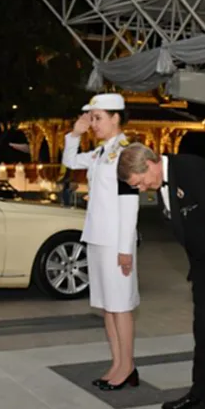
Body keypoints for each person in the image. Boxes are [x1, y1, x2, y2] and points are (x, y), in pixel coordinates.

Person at [117, 142, 205, 409]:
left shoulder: (191, 169)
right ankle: (198, 392)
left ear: (150, 164)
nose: (141, 188)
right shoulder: (164, 179)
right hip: (202, 267)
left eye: (140, 181)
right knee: (202, 332)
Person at [62, 93, 140, 390]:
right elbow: (70, 161)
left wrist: (125, 249)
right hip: (97, 238)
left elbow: (129, 205)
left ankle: (127, 366)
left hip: (116, 242)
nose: (93, 123)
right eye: (91, 118)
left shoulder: (126, 153)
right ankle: (118, 363)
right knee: (109, 306)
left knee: (121, 306)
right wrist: (74, 134)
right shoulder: (100, 153)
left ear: (116, 117)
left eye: (98, 118)